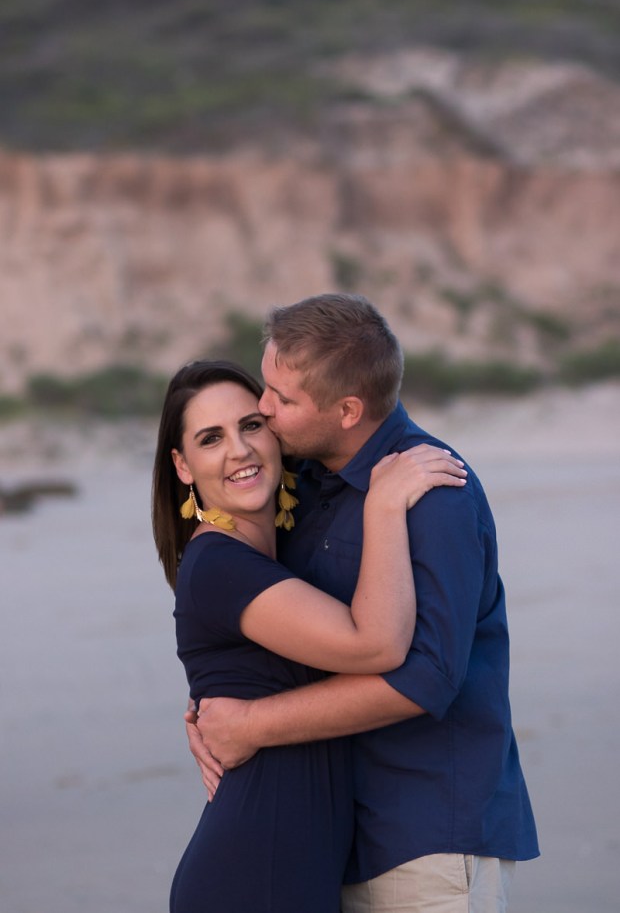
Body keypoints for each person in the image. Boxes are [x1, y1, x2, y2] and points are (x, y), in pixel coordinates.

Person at [188, 294, 540, 913]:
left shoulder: (437, 493)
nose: (263, 413)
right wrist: (207, 710)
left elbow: (426, 678)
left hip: (428, 836)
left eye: (282, 400)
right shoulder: (306, 487)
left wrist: (249, 726)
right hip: (334, 843)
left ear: (348, 410)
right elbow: (270, 629)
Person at [151, 358, 467, 913]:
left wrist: (217, 710)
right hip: (255, 872)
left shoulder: (271, 553)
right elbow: (377, 646)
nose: (240, 450)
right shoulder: (220, 565)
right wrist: (386, 503)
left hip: (298, 867)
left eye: (251, 425)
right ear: (182, 465)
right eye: (210, 438)